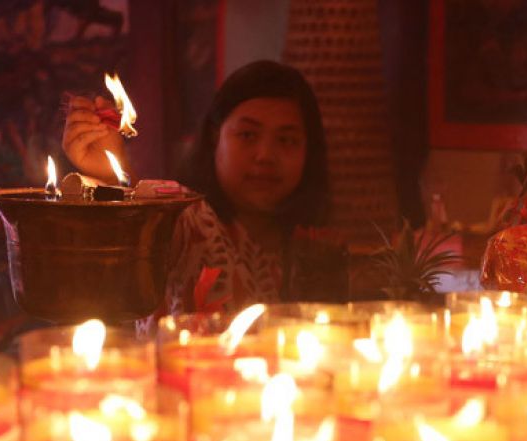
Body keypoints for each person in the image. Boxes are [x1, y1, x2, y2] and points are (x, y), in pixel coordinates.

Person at [62, 60, 331, 318]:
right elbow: (151, 223)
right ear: (216, 136)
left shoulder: (318, 246)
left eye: (286, 140)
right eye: (248, 135)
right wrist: (112, 172)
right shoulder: (192, 223)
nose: (265, 155)